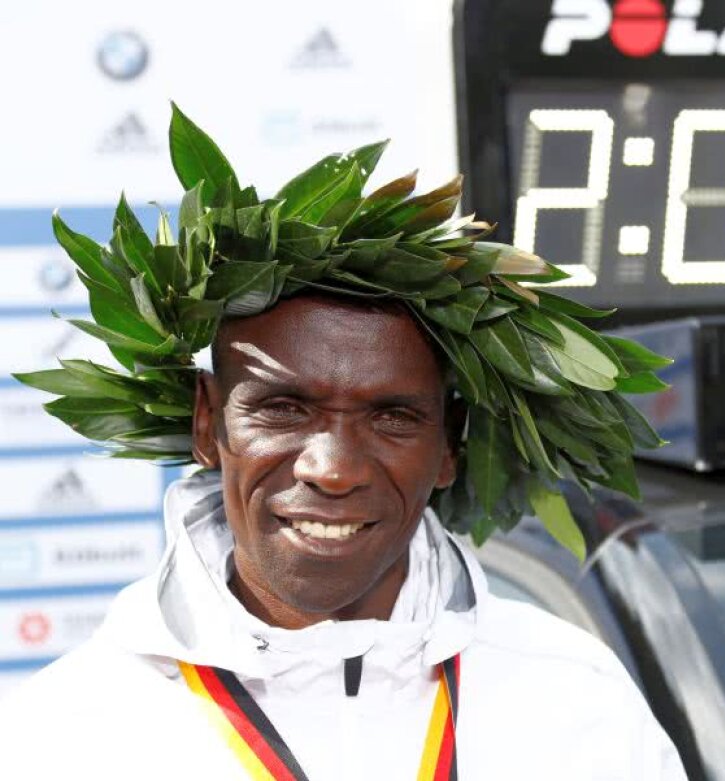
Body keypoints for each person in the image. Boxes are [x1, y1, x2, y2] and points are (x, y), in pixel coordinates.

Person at [0, 107, 686, 780]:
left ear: (450, 443)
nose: (332, 469)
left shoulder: (577, 701)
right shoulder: (65, 734)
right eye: (283, 407)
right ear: (208, 423)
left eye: (391, 417)